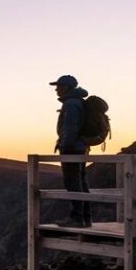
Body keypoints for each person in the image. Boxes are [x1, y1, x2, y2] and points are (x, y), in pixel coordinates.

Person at [51, 74, 91, 227]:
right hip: (79, 147)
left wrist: (64, 146)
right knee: (80, 181)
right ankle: (85, 218)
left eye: (59, 86)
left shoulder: (71, 104)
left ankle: (77, 218)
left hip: (72, 149)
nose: (56, 90)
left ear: (66, 87)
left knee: (73, 182)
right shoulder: (77, 102)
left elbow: (70, 127)